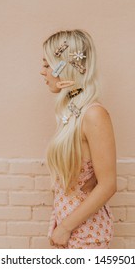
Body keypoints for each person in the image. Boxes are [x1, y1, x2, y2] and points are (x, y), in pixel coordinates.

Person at [40, 29, 117, 249]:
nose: (42, 72)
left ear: (64, 66)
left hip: (85, 234)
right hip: (69, 228)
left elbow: (108, 185)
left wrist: (65, 228)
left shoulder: (94, 114)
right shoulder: (73, 110)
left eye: (47, 65)